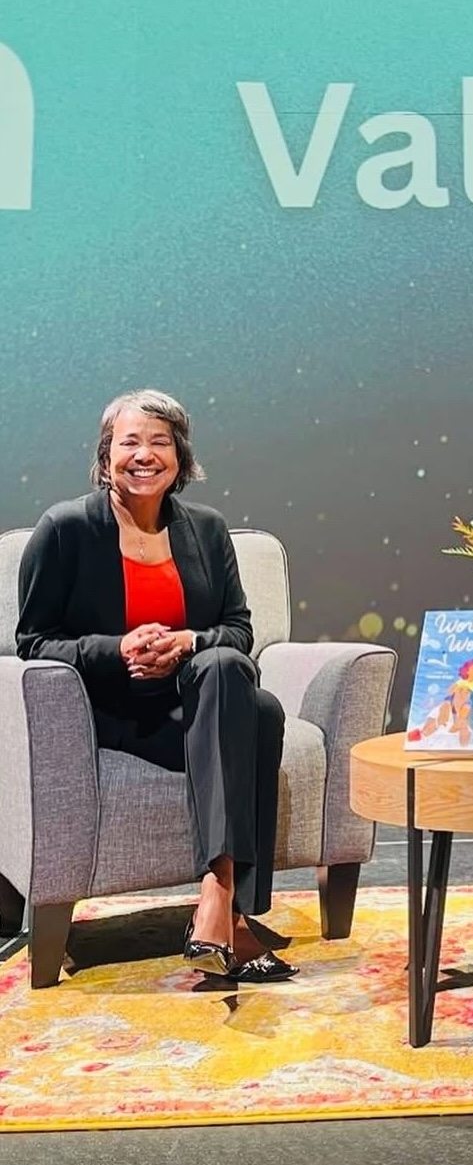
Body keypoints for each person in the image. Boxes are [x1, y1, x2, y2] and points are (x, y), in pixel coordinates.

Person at [16, 389, 296, 983]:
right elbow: (33, 643)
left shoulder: (208, 529)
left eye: (160, 442)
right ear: (106, 454)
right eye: (130, 442)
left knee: (227, 670)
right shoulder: (65, 529)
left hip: (193, 700)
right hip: (115, 712)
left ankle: (216, 898)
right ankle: (236, 915)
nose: (145, 455)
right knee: (263, 715)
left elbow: (238, 630)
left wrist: (188, 643)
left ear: (180, 456)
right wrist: (117, 650)